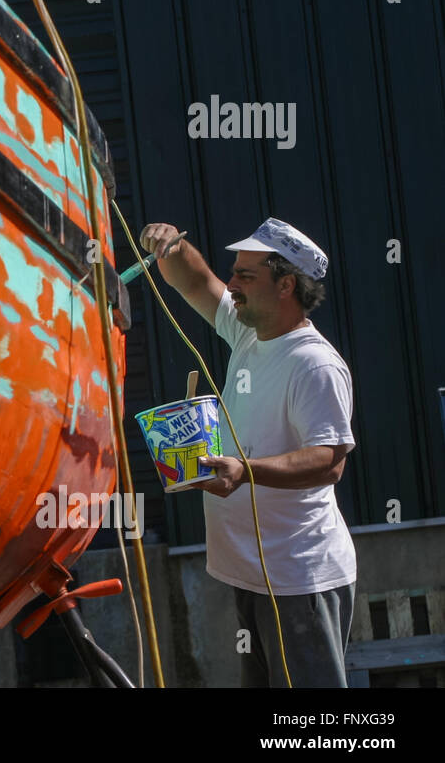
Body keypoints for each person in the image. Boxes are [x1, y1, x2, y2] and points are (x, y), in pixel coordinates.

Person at [139, 218, 356, 687]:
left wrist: (245, 471)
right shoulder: (249, 333)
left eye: (246, 275)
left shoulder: (313, 363)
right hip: (255, 575)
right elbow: (195, 280)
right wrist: (170, 244)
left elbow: (329, 460)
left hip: (298, 578)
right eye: (234, 271)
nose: (232, 284)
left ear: (286, 285)